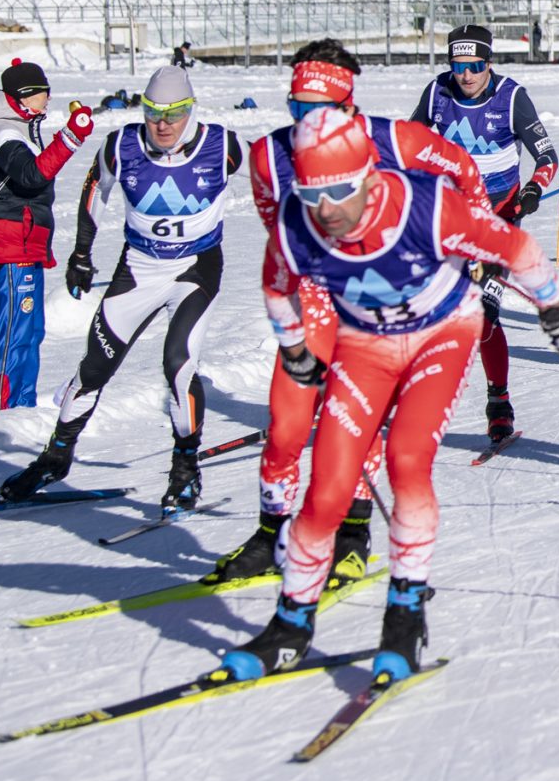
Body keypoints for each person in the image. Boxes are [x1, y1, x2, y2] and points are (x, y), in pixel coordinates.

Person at [220, 107, 559, 683]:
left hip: (440, 336)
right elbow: (277, 284)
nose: (327, 210)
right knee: (327, 487)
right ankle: (291, 626)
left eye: (340, 191)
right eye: (313, 193)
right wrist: (295, 348)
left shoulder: (427, 205)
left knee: (405, 460)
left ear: (370, 177)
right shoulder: (303, 220)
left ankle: (404, 615)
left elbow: (515, 246)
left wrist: (555, 308)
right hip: (367, 342)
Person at [209, 39, 494, 582]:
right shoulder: (269, 156)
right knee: (288, 427)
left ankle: (352, 534)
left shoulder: (393, 139)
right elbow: (277, 228)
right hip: (316, 302)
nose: (303, 122)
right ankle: (271, 533)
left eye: (316, 110)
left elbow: (464, 173)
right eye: (295, 108)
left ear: (348, 107)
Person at [0, 66, 241, 507]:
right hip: (139, 269)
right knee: (94, 368)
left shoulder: (222, 146)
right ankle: (56, 457)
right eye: (153, 113)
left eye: (175, 113)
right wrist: (81, 255)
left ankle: (185, 466)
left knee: (178, 364)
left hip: (195, 271)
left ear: (191, 110)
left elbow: (277, 181)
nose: (163, 124)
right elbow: (95, 191)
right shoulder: (121, 145)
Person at [409, 23, 559, 448]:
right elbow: (408, 142)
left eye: (475, 65)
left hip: (499, 219)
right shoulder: (437, 93)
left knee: (483, 316)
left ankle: (499, 402)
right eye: (459, 66)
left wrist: (534, 189)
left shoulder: (511, 97)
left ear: (489, 63)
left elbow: (546, 155)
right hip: (448, 218)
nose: (467, 75)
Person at [0, 61, 95, 410]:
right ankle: (6, 408)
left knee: (31, 330)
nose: (48, 99)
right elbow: (31, 176)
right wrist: (69, 138)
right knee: (15, 332)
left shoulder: (19, 128)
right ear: (23, 96)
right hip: (9, 245)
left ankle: (23, 404)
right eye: (42, 93)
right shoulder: (3, 131)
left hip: (24, 243)